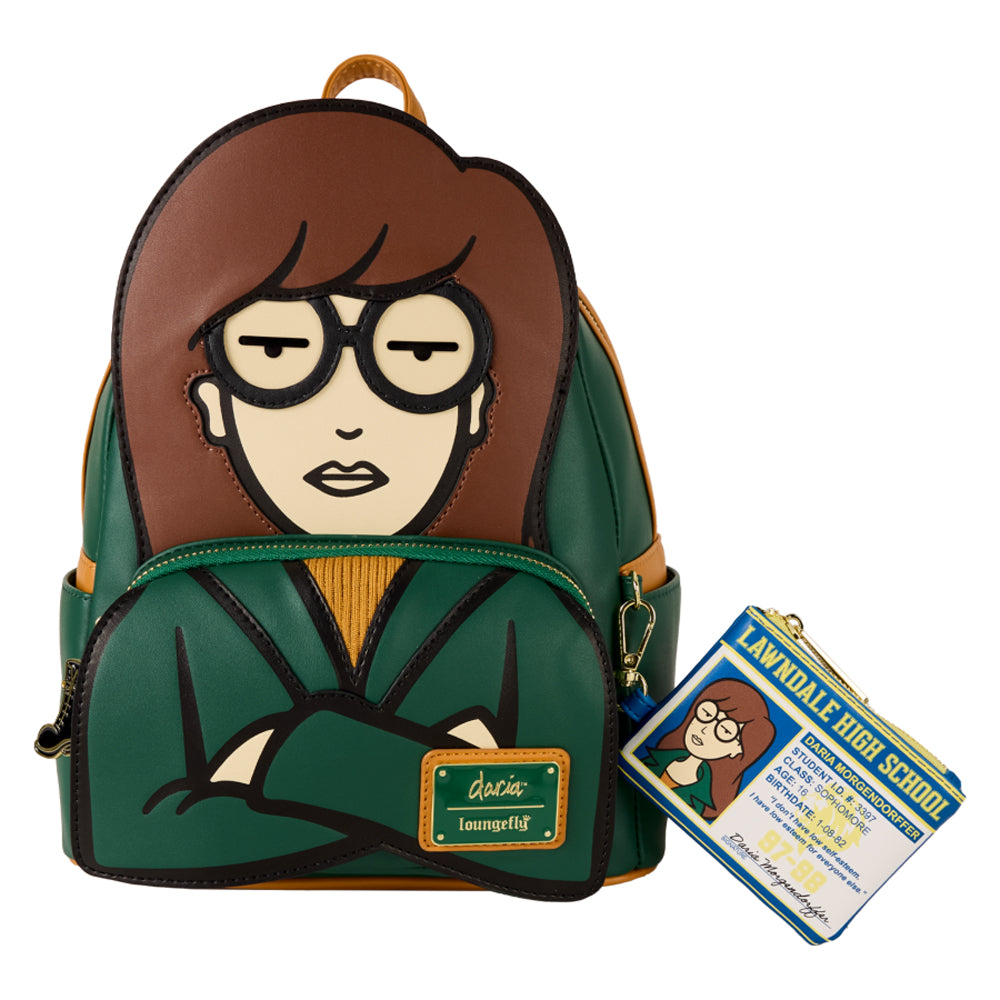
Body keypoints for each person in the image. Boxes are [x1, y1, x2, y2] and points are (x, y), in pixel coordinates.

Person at [73, 99, 614, 899]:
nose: (350, 417)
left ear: (478, 405)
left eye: (421, 352)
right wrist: (419, 779)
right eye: (279, 350)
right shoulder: (175, 621)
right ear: (213, 403)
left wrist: (288, 758)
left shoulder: (507, 614)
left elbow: (565, 847)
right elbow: (125, 827)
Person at [640, 678, 775, 819]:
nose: (704, 729)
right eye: (707, 714)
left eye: (726, 731)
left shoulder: (703, 802)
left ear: (738, 749)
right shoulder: (653, 755)